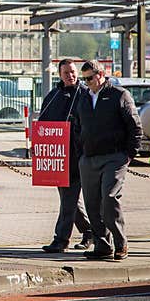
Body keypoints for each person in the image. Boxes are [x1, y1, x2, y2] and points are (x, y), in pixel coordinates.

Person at [71, 59, 142, 261]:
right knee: (91, 203)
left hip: (114, 156)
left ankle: (121, 243)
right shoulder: (84, 98)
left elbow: (135, 126)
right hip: (89, 158)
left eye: (90, 78)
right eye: (84, 80)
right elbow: (77, 126)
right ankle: (102, 245)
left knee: (109, 199)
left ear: (101, 75)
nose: (87, 83)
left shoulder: (119, 95)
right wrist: (81, 153)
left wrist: (129, 154)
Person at [39, 58, 94, 253]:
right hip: (59, 158)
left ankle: (61, 240)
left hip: (79, 156)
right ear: (59, 75)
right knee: (68, 200)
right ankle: (90, 232)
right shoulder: (54, 95)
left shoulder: (85, 94)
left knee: (68, 200)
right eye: (66, 73)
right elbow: (42, 124)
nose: (70, 76)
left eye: (72, 72)